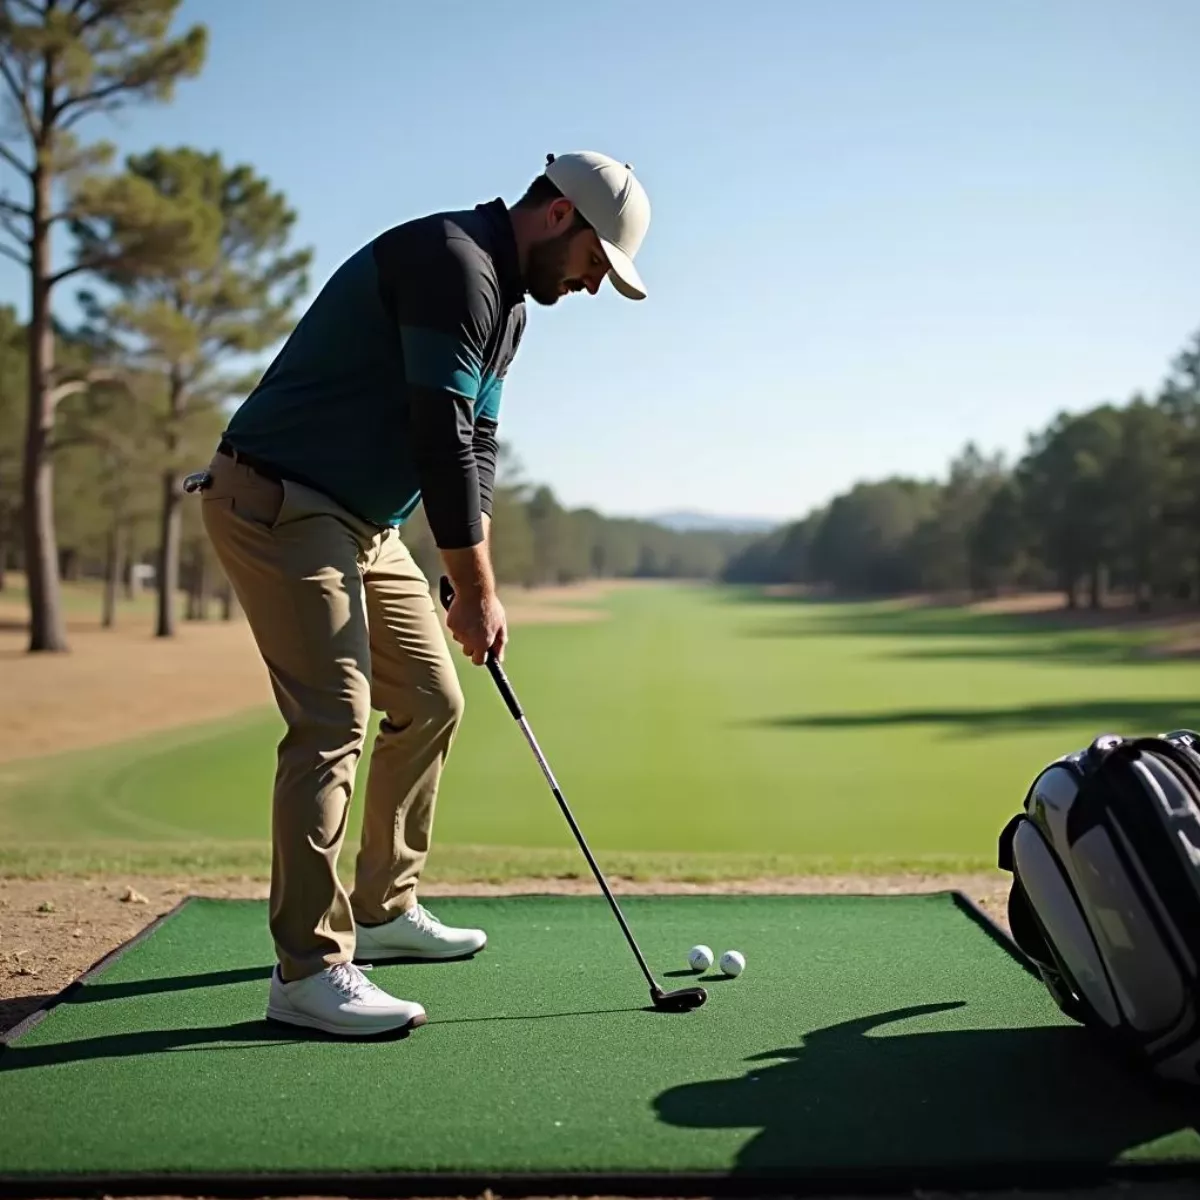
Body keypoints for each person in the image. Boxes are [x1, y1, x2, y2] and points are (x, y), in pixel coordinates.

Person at [195, 151, 651, 1038]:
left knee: (435, 699)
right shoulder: (453, 263)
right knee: (333, 718)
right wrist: (476, 589)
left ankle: (383, 909)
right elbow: (436, 435)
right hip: (279, 499)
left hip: (367, 524)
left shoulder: (509, 307)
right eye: (598, 262)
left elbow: (476, 448)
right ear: (559, 216)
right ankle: (310, 970)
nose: (595, 286)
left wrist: (464, 578)